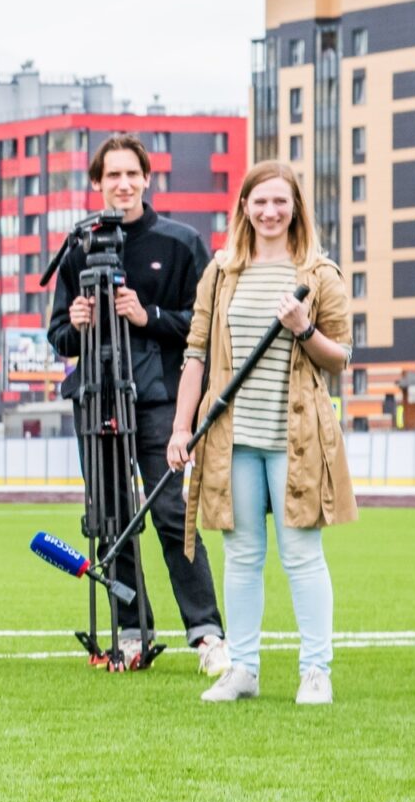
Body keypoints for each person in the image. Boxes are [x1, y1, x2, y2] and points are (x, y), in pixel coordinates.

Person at [168, 161, 355, 705]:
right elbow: (195, 354)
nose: (270, 212)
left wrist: (305, 329)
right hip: (233, 440)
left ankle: (315, 669)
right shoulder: (222, 271)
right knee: (241, 554)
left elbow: (340, 356)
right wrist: (183, 428)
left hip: (297, 439)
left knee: (301, 555)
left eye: (280, 201)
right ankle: (243, 669)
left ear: (295, 206)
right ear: (244, 208)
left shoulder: (320, 273)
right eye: (260, 202)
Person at [45, 134, 227, 674]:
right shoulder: (79, 245)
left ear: (147, 178)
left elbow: (206, 327)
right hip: (95, 397)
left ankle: (207, 632)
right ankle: (131, 630)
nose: (122, 184)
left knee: (172, 514)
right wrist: (75, 325)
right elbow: (58, 336)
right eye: (111, 176)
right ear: (97, 184)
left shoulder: (180, 242)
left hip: (159, 402)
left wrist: (148, 317)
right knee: (112, 519)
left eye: (132, 174)